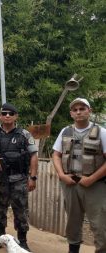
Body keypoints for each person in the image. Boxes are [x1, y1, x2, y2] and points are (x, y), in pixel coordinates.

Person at [0, 103, 38, 252]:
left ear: (16, 116)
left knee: (21, 211)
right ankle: (0, 239)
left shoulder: (24, 134)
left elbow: (33, 156)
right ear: (0, 116)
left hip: (19, 180)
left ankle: (22, 242)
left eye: (10, 113)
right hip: (0, 180)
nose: (7, 116)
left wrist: (33, 177)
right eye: (4, 113)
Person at [52, 98, 106, 253]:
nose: (78, 112)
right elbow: (56, 155)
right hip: (70, 183)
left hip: (95, 185)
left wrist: (91, 179)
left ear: (90, 111)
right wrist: (62, 175)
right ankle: (73, 250)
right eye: (75, 110)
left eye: (82, 108)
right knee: (73, 222)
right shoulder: (65, 131)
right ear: (71, 114)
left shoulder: (101, 132)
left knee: (100, 223)